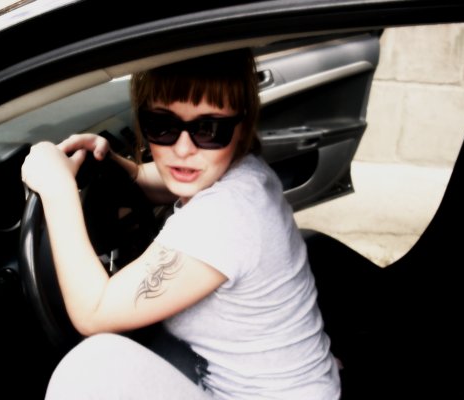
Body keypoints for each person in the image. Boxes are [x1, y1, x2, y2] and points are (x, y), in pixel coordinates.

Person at [20, 48, 341, 399]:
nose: (184, 149)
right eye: (162, 126)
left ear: (241, 126)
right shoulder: (244, 173)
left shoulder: (225, 216)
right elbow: (163, 178)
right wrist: (116, 165)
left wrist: (58, 190)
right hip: (297, 386)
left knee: (88, 369)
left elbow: (93, 312)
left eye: (209, 129)